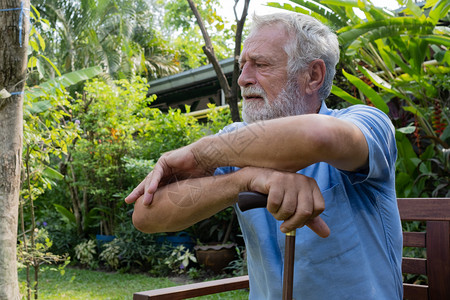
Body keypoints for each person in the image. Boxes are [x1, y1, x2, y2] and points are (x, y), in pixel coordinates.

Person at [125, 12, 403, 300]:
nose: (243, 79)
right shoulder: (236, 140)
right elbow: (145, 215)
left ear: (313, 76)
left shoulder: (367, 124)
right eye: (242, 66)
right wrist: (245, 181)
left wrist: (200, 153)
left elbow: (318, 137)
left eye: (261, 64)